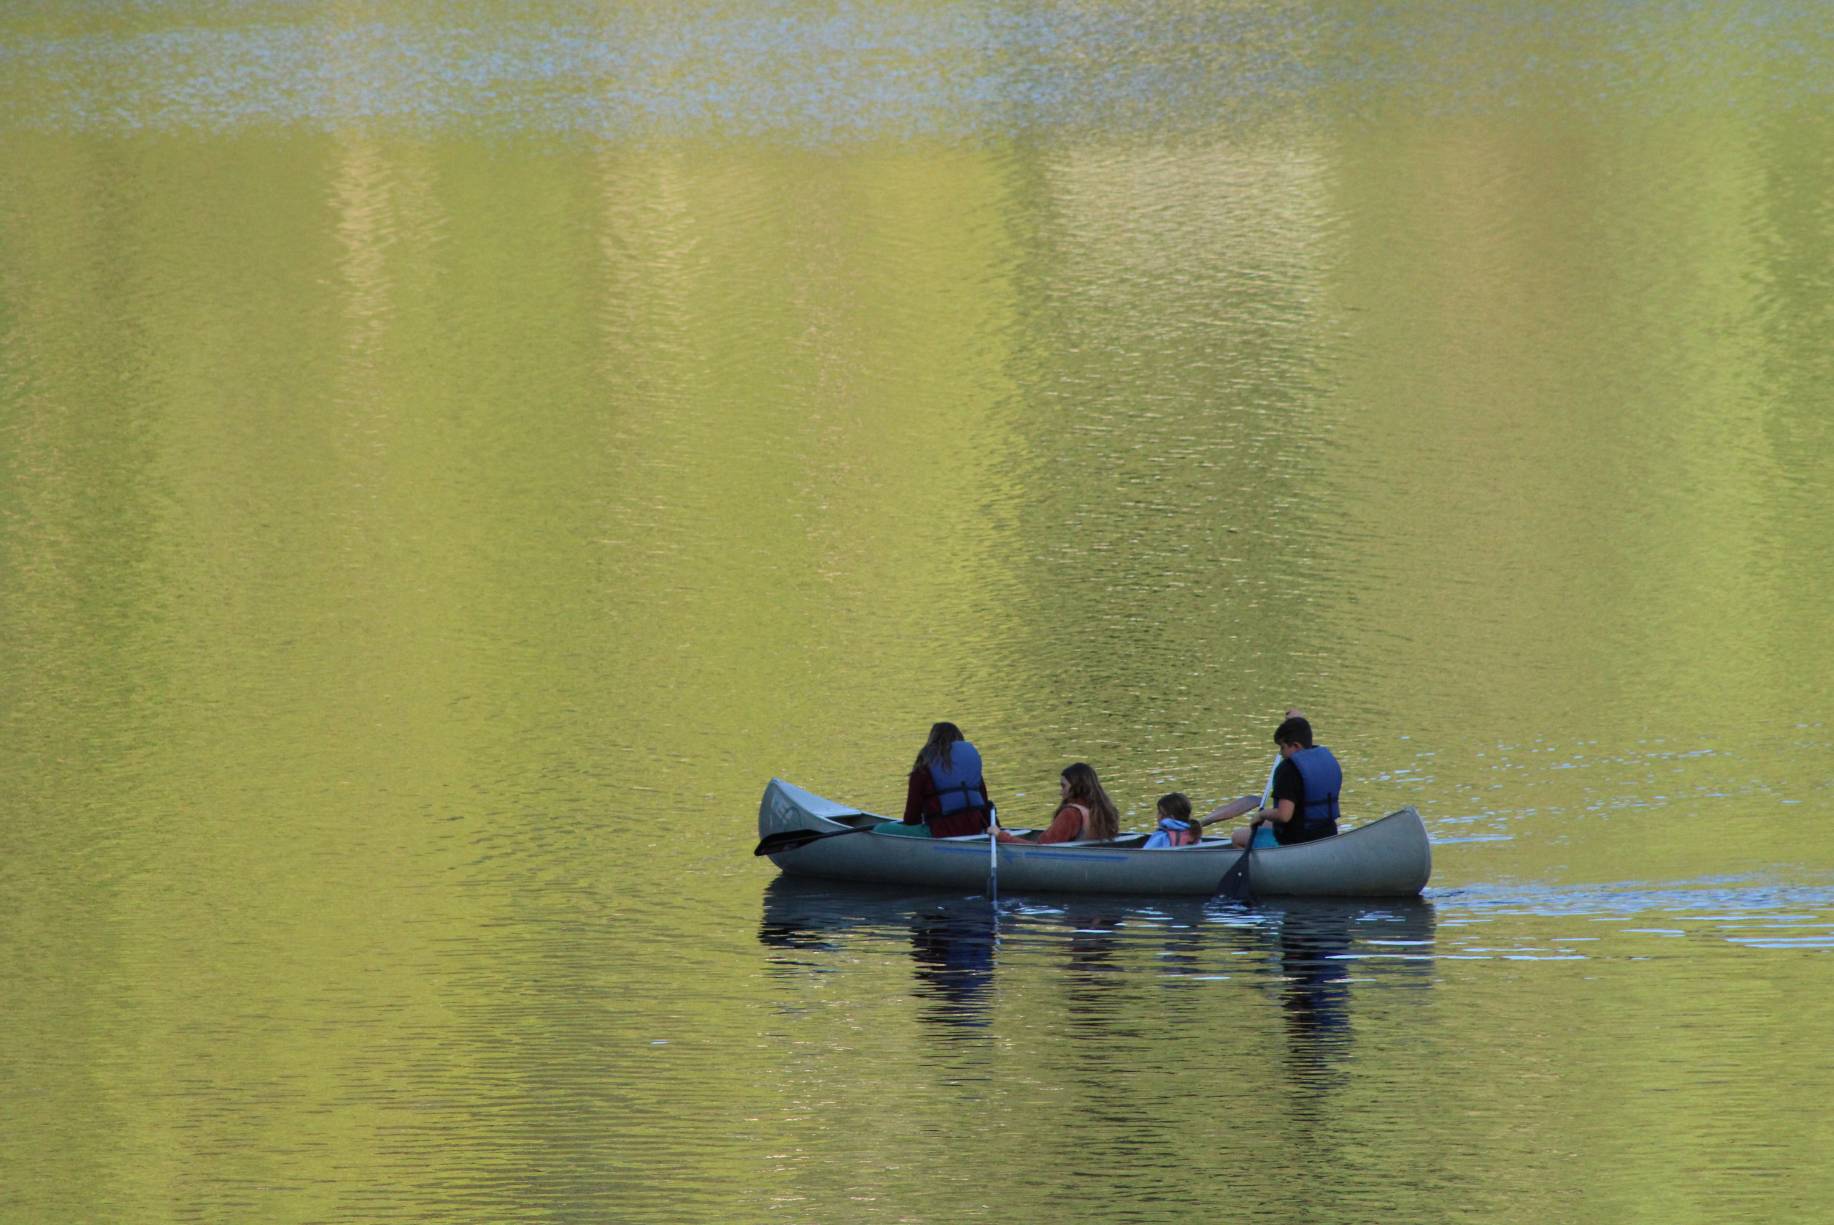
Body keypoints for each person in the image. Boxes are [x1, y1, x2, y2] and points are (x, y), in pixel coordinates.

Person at [1225, 715, 1342, 848]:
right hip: (1328, 836)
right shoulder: (1325, 761)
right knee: (1264, 824)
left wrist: (1261, 814)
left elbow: (1283, 815)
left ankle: (1264, 868)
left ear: (1296, 746)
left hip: (1296, 842)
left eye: (1282, 747)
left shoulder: (1288, 769)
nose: (1281, 753)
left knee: (1238, 837)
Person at [879, 722, 993, 838]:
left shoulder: (923, 769)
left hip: (940, 832)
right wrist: (998, 830)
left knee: (880, 828)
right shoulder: (970, 767)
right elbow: (985, 808)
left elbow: (911, 819)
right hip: (977, 830)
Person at [998, 762, 1119, 844]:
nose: (1061, 792)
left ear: (1077, 787)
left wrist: (1001, 836)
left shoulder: (1071, 813)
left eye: (1063, 786)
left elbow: (1041, 848)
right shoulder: (1100, 810)